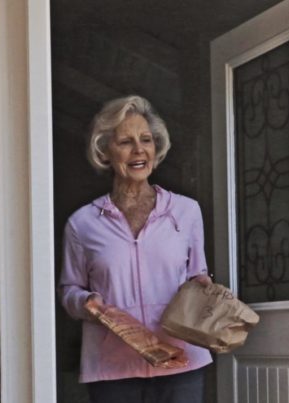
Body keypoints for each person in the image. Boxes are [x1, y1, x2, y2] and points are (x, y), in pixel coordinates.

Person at [58, 95, 213, 403]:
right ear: (105, 151)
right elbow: (68, 290)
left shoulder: (186, 211)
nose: (139, 149)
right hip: (113, 367)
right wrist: (87, 301)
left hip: (181, 359)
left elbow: (198, 273)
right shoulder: (82, 223)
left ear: (156, 150)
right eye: (126, 141)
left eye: (146, 140)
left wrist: (203, 288)